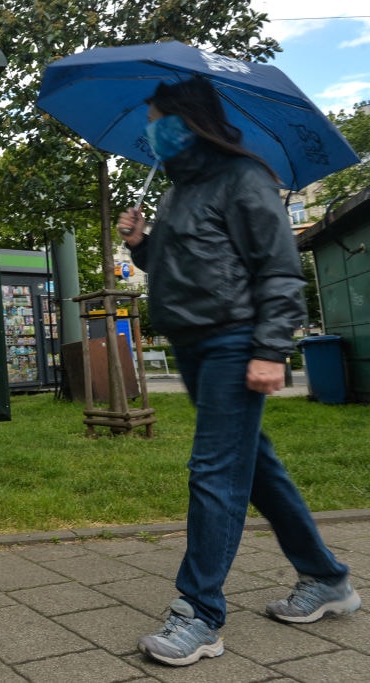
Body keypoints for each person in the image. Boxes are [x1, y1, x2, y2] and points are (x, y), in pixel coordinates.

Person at [116, 76, 361, 667]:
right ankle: (327, 579)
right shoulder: (180, 191)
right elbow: (182, 264)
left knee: (216, 471)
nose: (152, 130)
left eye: (158, 118)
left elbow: (280, 273)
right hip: (196, 344)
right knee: (256, 472)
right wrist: (141, 244)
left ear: (187, 118)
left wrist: (270, 349)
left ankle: (198, 615)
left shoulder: (245, 179)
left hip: (234, 342)